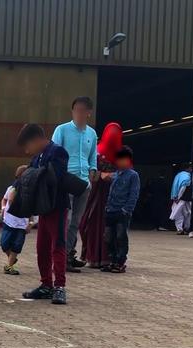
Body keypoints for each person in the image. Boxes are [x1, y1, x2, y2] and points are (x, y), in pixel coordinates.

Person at [17, 123, 71, 305]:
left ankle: (60, 287)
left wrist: (30, 172)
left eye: (27, 146)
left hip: (57, 206)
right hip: (43, 208)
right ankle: (46, 284)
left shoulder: (57, 152)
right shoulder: (37, 157)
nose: (27, 151)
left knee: (58, 245)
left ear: (36, 140)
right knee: (42, 248)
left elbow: (54, 175)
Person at [51, 96, 98, 273]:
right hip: (66, 180)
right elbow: (53, 152)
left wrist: (93, 169)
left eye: (82, 111)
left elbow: (93, 154)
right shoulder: (62, 130)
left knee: (76, 221)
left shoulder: (91, 134)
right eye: (75, 110)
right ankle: (60, 256)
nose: (78, 114)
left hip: (84, 182)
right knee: (66, 218)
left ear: (88, 113)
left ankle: (69, 254)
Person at [80, 122, 122, 269]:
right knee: (88, 223)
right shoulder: (96, 151)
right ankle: (92, 256)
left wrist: (114, 176)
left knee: (111, 227)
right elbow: (87, 170)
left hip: (113, 197)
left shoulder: (122, 153)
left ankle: (110, 258)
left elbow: (128, 174)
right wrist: (100, 175)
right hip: (95, 195)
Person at [103, 146, 140, 273]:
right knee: (108, 237)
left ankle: (120, 262)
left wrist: (126, 209)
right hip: (110, 210)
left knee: (121, 236)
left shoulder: (133, 175)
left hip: (122, 212)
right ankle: (112, 260)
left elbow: (134, 194)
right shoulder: (115, 175)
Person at [0, 165, 29, 275]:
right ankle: (12, 258)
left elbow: (32, 208)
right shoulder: (11, 188)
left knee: (17, 245)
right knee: (4, 243)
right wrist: (3, 209)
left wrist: (30, 223)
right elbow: (5, 199)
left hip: (22, 224)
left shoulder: (29, 192)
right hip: (9, 221)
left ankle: (9, 265)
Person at [169, 164, 193, 235]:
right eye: (190, 168)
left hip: (178, 198)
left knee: (178, 213)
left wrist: (176, 197)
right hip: (184, 198)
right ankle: (186, 228)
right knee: (188, 213)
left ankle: (179, 229)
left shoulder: (178, 175)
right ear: (187, 168)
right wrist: (179, 197)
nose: (191, 170)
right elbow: (183, 188)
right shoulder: (187, 176)